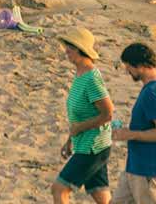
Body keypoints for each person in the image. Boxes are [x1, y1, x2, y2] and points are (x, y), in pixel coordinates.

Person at [52, 27, 114, 204]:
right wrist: (70, 140)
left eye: (70, 46)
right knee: (100, 195)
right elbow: (78, 117)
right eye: (66, 46)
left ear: (81, 49)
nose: (66, 51)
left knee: (59, 189)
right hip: (86, 145)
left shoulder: (91, 78)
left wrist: (79, 129)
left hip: (93, 147)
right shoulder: (80, 74)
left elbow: (108, 113)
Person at [111, 43, 156, 204]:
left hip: (148, 171)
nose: (128, 71)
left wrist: (129, 134)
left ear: (140, 66)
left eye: (128, 67)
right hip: (135, 167)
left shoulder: (152, 93)